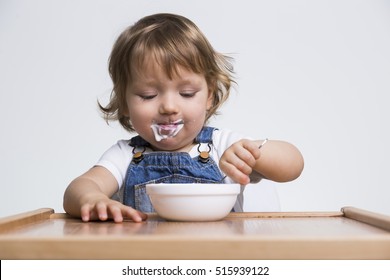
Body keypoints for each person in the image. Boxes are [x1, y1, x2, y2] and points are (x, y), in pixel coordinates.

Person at [63, 13, 304, 223]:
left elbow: (293, 164)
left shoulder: (222, 146)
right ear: (125, 103)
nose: (169, 107)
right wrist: (92, 199)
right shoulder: (125, 157)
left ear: (209, 96)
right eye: (148, 96)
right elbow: (78, 189)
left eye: (186, 93)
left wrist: (253, 155)